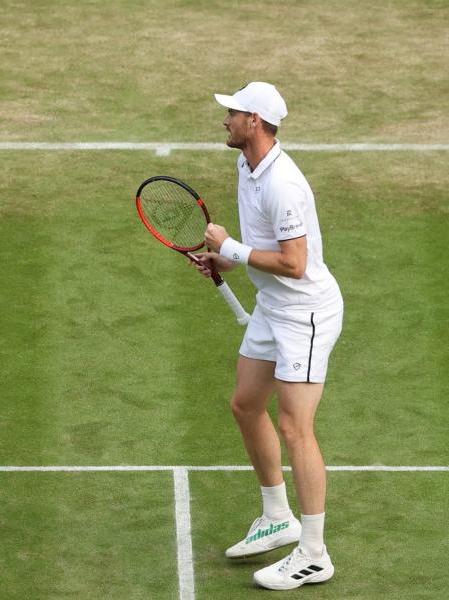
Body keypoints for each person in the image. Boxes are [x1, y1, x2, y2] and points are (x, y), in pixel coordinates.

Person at [195, 82, 344, 590]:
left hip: (303, 315)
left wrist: (231, 247)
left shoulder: (283, 184)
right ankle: (278, 516)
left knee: (296, 428)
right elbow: (265, 251)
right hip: (272, 306)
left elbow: (296, 265)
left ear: (254, 121)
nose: (226, 120)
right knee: (245, 404)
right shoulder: (246, 165)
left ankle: (314, 553)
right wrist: (227, 258)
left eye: (233, 114)